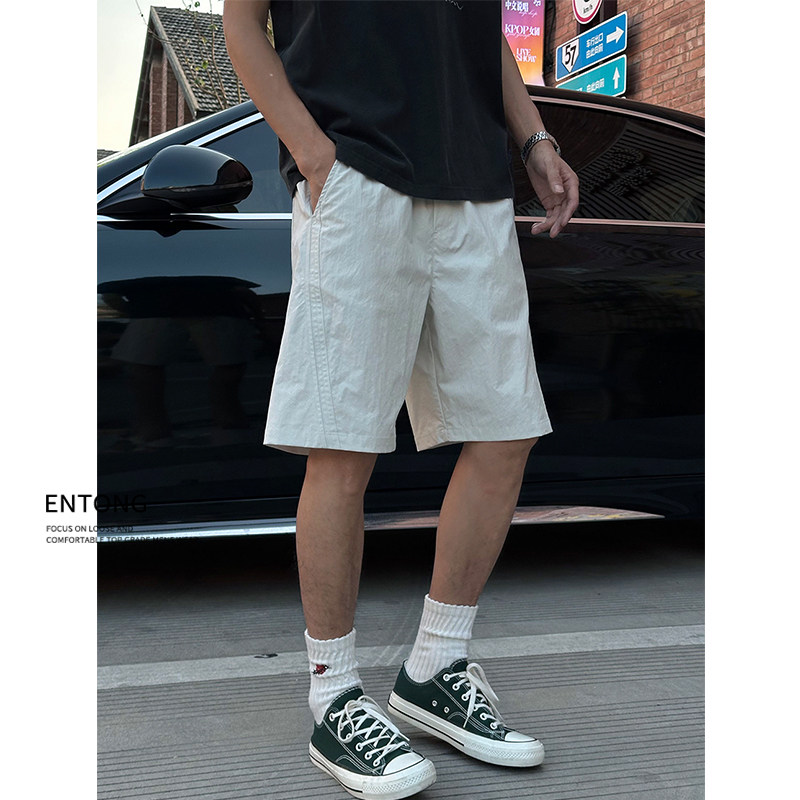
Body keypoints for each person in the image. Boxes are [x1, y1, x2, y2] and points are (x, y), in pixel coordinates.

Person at [223, 2, 579, 798]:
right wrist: (314, 153)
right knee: (342, 443)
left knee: (506, 431)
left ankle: (435, 667)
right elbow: (241, 23)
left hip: (475, 186)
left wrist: (535, 140)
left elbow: (479, 29)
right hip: (356, 174)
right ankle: (333, 694)